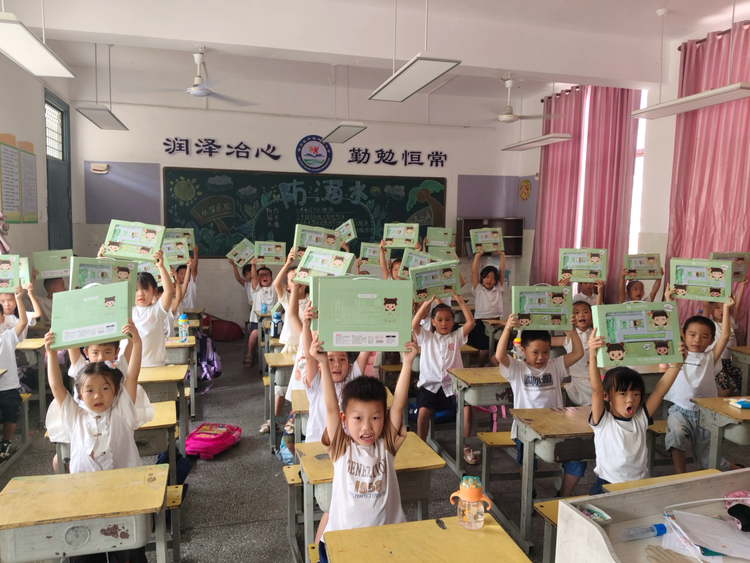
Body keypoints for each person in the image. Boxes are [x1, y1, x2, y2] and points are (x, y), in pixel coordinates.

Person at [44, 325, 150, 563]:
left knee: (128, 548)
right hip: (85, 496)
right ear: (80, 395)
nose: (97, 396)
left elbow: (132, 376)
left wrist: (137, 344)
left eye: (105, 389)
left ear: (116, 391)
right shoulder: (75, 416)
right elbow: (56, 387)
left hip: (125, 493)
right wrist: (51, 354)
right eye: (89, 390)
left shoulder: (122, 411)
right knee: (86, 548)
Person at [311, 330, 416, 563]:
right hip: (343, 542)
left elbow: (398, 405)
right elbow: (331, 407)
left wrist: (408, 362)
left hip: (386, 540)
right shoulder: (341, 447)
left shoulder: (386, 444)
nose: (367, 427)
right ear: (345, 419)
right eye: (358, 418)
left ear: (384, 418)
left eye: (375, 418)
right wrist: (323, 363)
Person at [495, 314, 586, 497]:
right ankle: (529, 495)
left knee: (578, 460)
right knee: (527, 462)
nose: (540, 357)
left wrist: (572, 330)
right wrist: (508, 328)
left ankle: (563, 496)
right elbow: (499, 355)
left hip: (557, 426)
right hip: (526, 428)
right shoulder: (517, 368)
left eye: (545, 351)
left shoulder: (555, 365)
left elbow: (578, 353)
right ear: (522, 350)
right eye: (535, 352)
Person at [587, 328, 683, 494]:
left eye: (636, 394)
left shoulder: (640, 418)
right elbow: (596, 389)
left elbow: (659, 390)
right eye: (623, 394)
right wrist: (592, 355)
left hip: (637, 486)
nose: (630, 399)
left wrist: (677, 365)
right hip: (607, 486)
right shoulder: (603, 421)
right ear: (606, 396)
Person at [663, 291, 736, 473]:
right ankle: (681, 476)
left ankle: (736, 468)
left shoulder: (710, 357)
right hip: (680, 409)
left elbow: (724, 336)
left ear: (711, 340)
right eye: (692, 335)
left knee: (707, 461)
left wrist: (727, 308)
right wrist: (669, 301)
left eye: (704, 337)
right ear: (683, 335)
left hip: (705, 413)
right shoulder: (678, 352)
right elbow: (671, 326)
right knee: (676, 434)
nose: (697, 340)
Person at [412, 291, 478, 464]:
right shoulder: (426, 337)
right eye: (439, 320)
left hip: (453, 386)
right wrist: (426, 304)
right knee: (423, 411)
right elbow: (414, 324)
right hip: (431, 386)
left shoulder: (456, 337)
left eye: (448, 320)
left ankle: (464, 445)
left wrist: (459, 300)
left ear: (453, 322)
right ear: (433, 322)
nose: (444, 323)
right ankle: (421, 444)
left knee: (467, 409)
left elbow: (471, 322)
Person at [231, 257, 277, 368]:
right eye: (261, 275)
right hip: (257, 320)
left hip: (274, 320)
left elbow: (281, 277)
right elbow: (254, 277)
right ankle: (250, 354)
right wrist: (253, 265)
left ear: (271, 278)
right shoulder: (256, 288)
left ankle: (273, 356)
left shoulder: (275, 287)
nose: (264, 277)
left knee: (275, 336)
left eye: (267, 275)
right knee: (254, 334)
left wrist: (286, 263)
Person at [132, 249, 173, 368]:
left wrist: (161, 266)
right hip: (130, 367)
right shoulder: (128, 311)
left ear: (154, 291)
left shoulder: (157, 310)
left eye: (145, 289)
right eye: (136, 290)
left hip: (155, 365)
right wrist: (102, 260)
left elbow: (169, 291)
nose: (140, 294)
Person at [0, 285, 28, 461]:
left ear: (2, 318)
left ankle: (6, 441)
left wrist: (19, 299)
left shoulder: (7, 337)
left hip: (8, 387)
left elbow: (23, 322)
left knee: (9, 408)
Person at [704, 279, 746, 395]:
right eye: (717, 307)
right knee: (729, 386)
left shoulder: (730, 320)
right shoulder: (710, 324)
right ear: (711, 310)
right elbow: (705, 306)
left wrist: (741, 286)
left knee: (743, 381)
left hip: (731, 362)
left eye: (724, 306)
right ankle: (712, 404)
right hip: (716, 361)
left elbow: (736, 306)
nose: (722, 309)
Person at [552, 300, 595, 406]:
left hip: (596, 376)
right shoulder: (569, 334)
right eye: (576, 312)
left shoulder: (596, 333)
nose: (581, 315)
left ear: (592, 315)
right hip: (578, 380)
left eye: (585, 312)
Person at [469, 248, 505, 367]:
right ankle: (480, 369)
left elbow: (502, 270)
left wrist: (502, 255)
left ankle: (495, 371)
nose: (490, 280)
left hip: (497, 323)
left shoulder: (498, 287)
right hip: (482, 323)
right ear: (482, 278)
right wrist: (478, 255)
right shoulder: (478, 289)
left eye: (493, 278)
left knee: (497, 352)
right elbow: (474, 271)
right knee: (485, 351)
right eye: (487, 277)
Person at [175, 245, 198, 310]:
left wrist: (195, 254)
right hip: (179, 314)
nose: (184, 275)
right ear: (176, 275)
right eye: (181, 273)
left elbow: (194, 270)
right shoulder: (174, 287)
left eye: (186, 273)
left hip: (191, 313)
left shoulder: (191, 284)